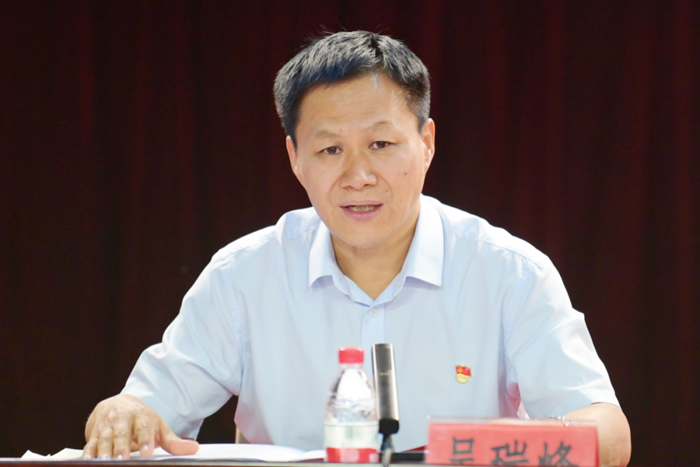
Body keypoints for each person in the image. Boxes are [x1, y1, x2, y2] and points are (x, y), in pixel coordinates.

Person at [82, 31, 631, 466]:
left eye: (381, 144)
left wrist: (481, 449)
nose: (358, 175)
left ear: (426, 143)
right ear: (295, 158)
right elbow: (144, 408)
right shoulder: (243, 277)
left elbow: (607, 432)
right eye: (330, 150)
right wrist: (122, 413)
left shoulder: (508, 273)